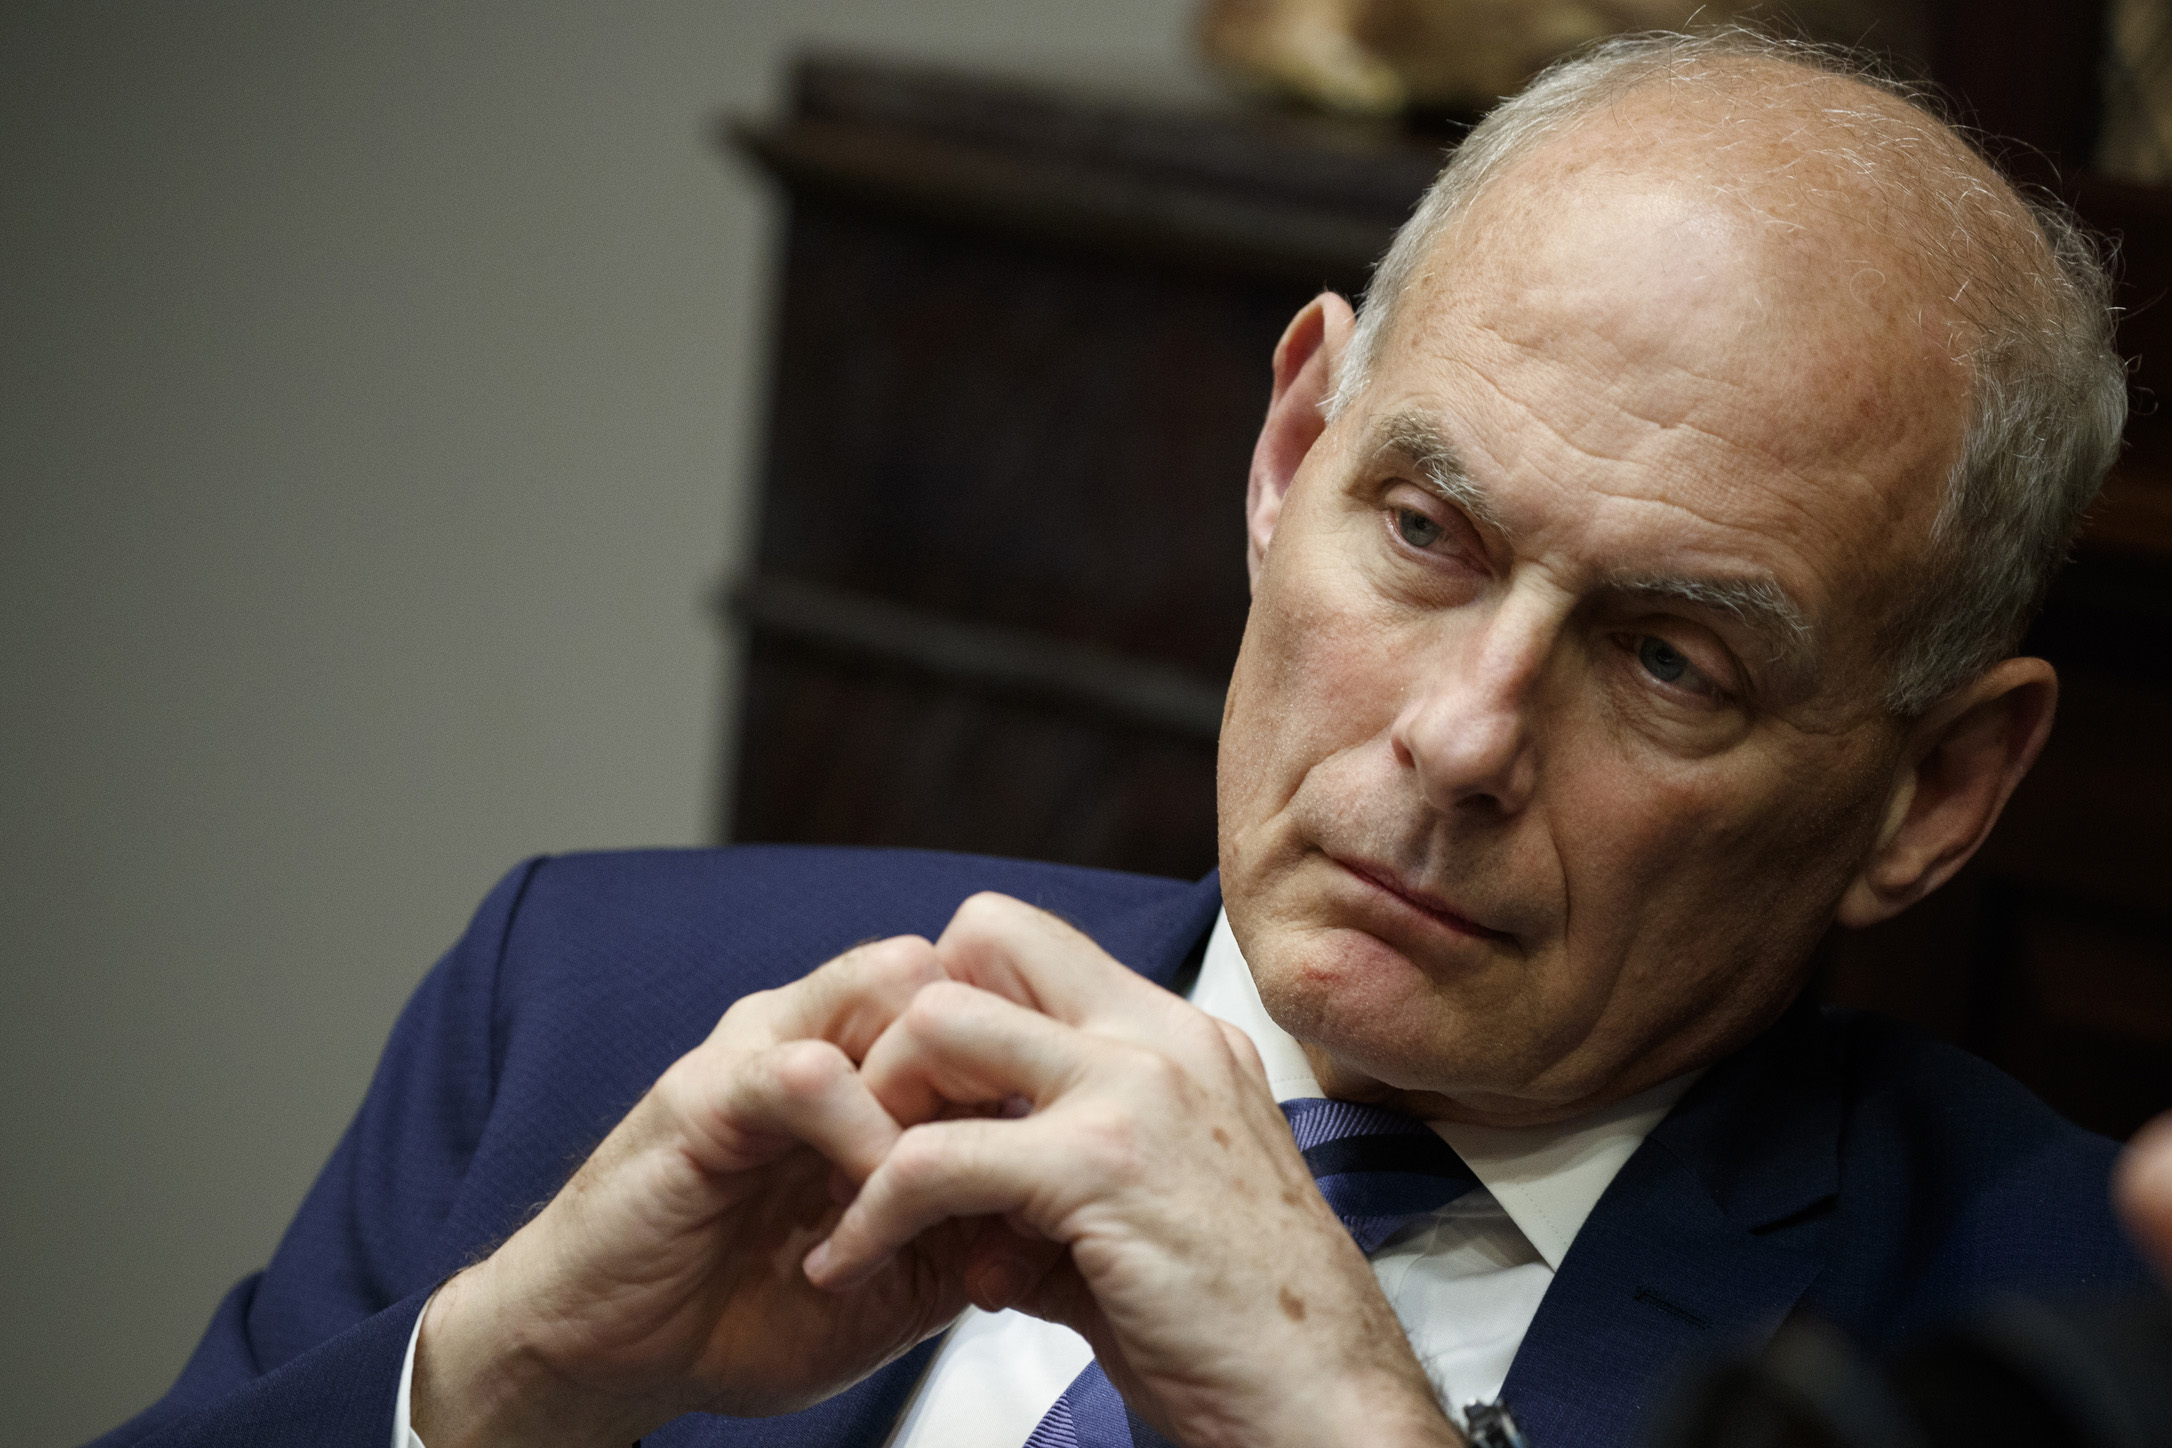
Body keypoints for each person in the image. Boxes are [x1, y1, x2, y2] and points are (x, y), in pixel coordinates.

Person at [86, 29, 2155, 1448]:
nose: (1457, 738)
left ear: (1935, 791)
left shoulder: (2073, 1340)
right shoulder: (584, 1009)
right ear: (1290, 449)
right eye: (1425, 531)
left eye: (1672, 660)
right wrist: (493, 1394)